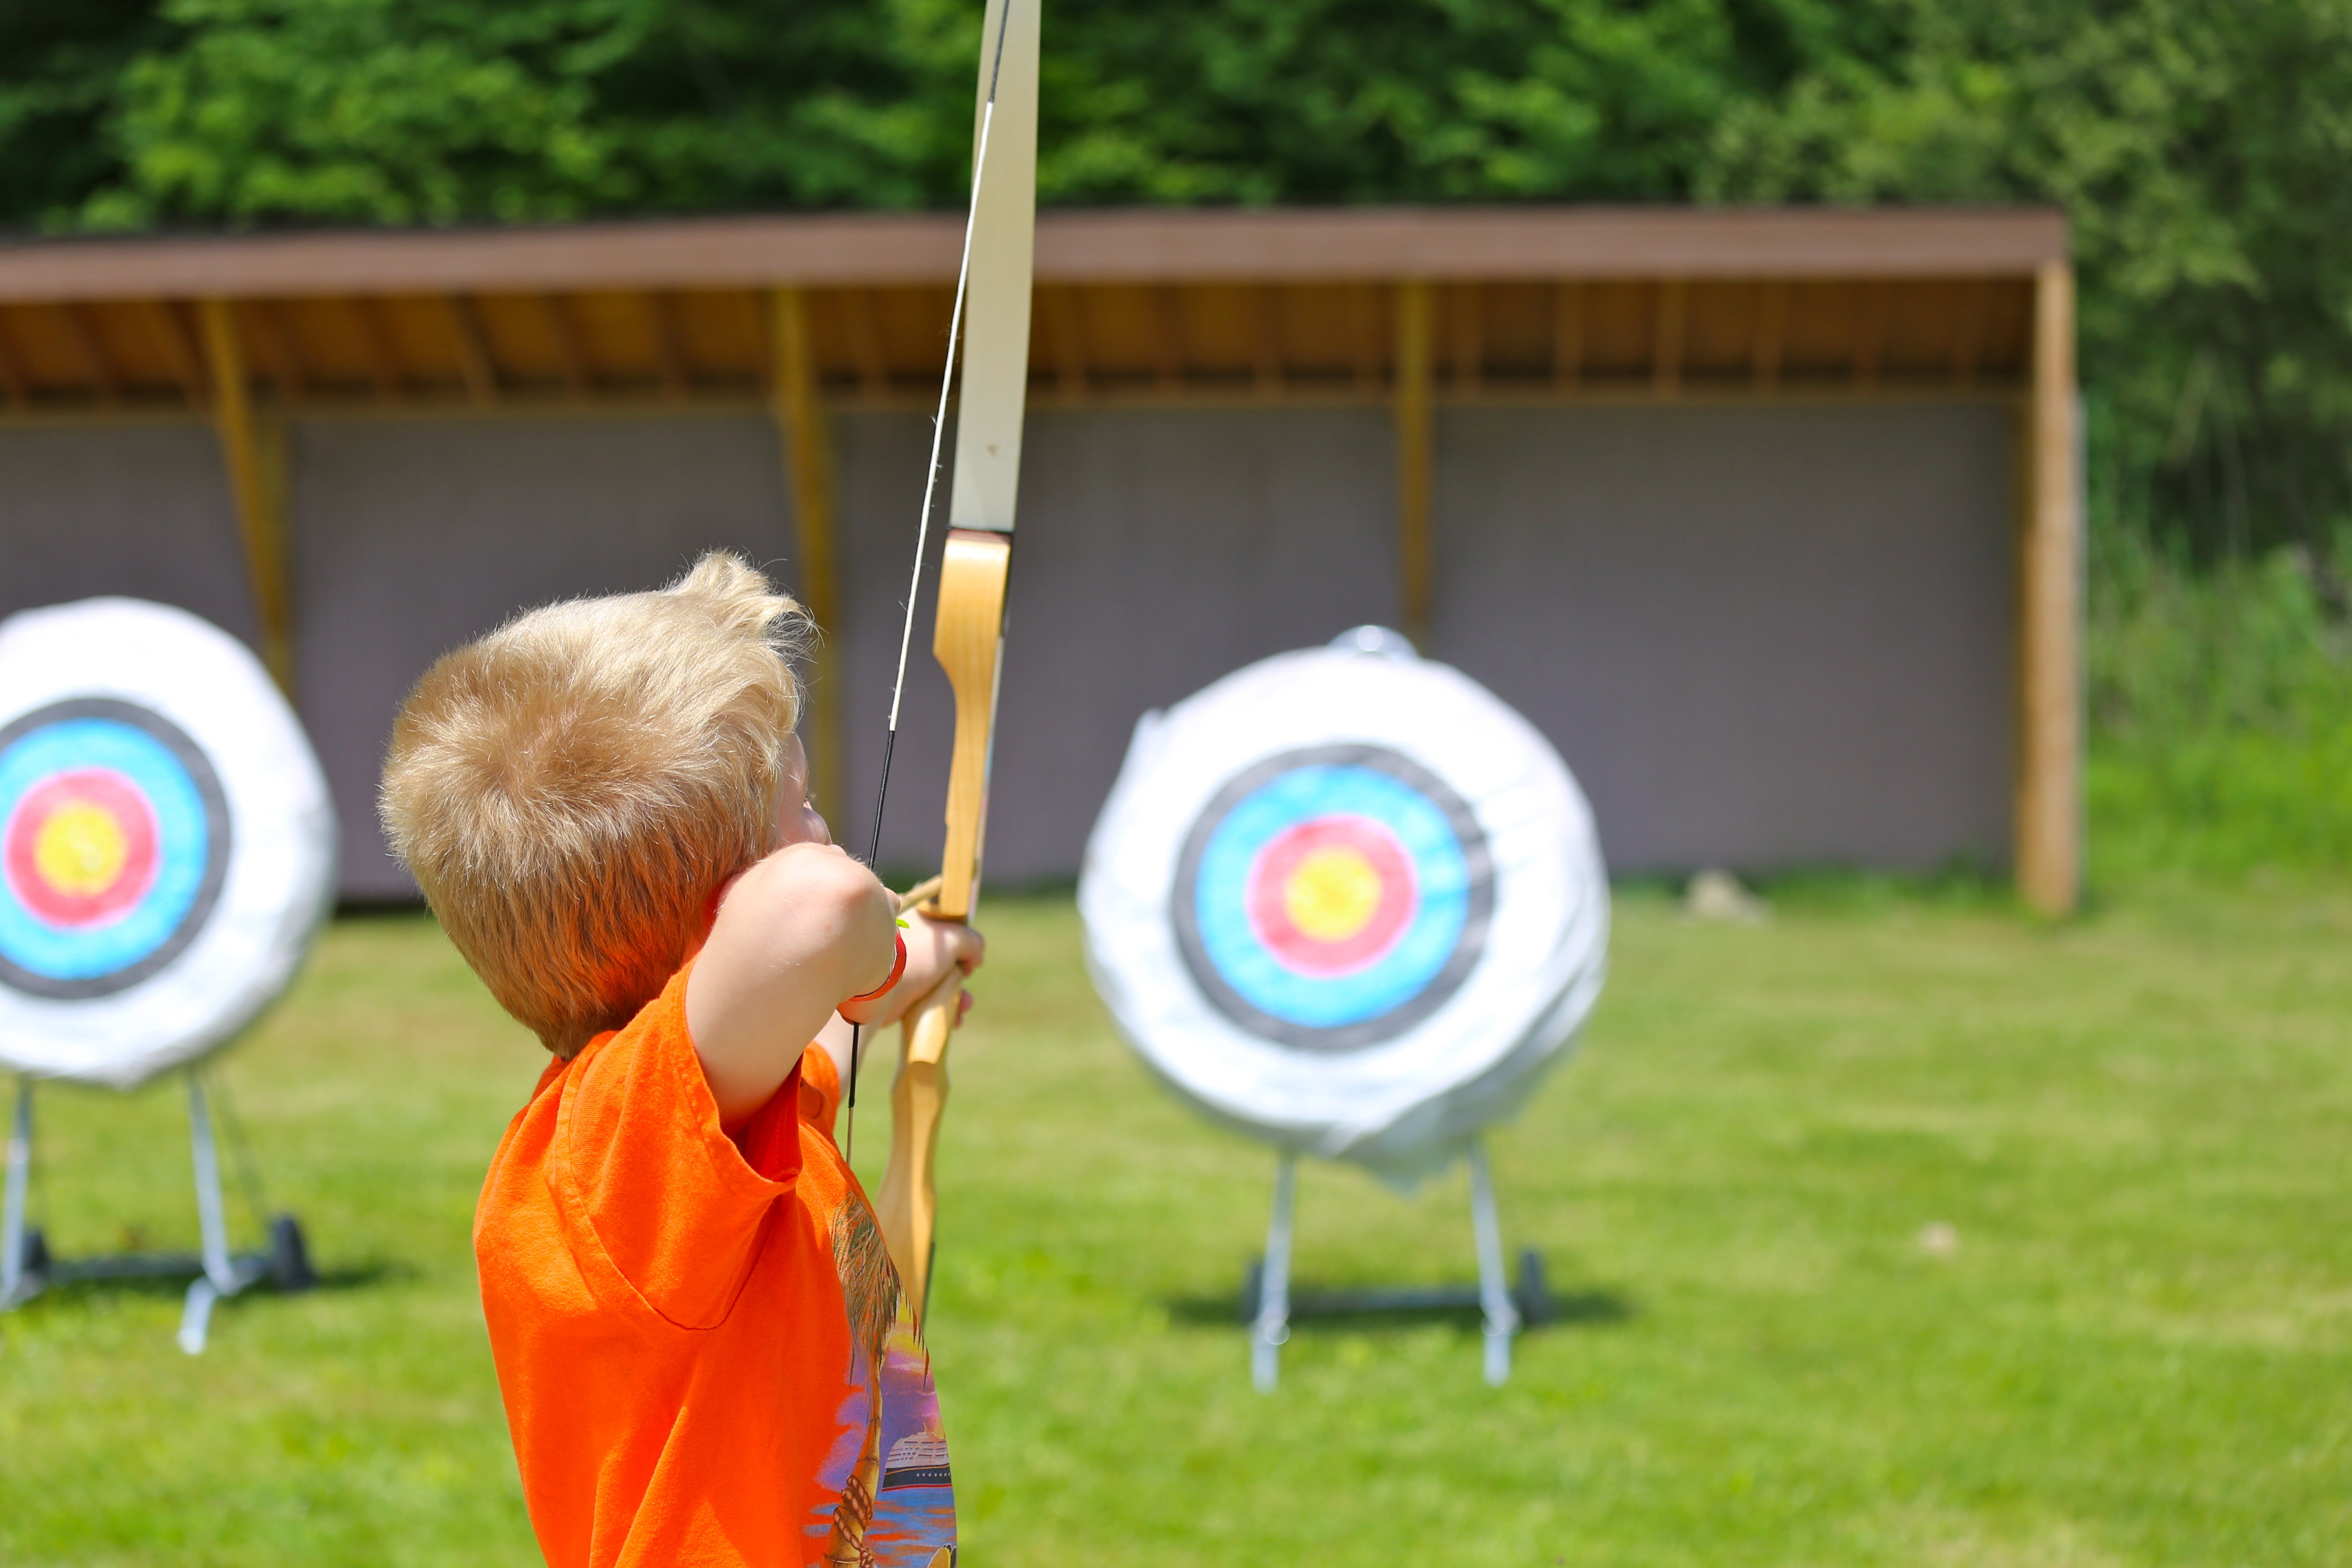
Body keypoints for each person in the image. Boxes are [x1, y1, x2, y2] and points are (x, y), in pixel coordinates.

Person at [380, 553, 981, 1568]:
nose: (828, 838)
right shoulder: (613, 1162)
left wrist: (914, 966)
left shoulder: (715, 1124)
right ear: (731, 899)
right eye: (801, 809)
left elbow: (818, 1022)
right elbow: (818, 914)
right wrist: (868, 949)